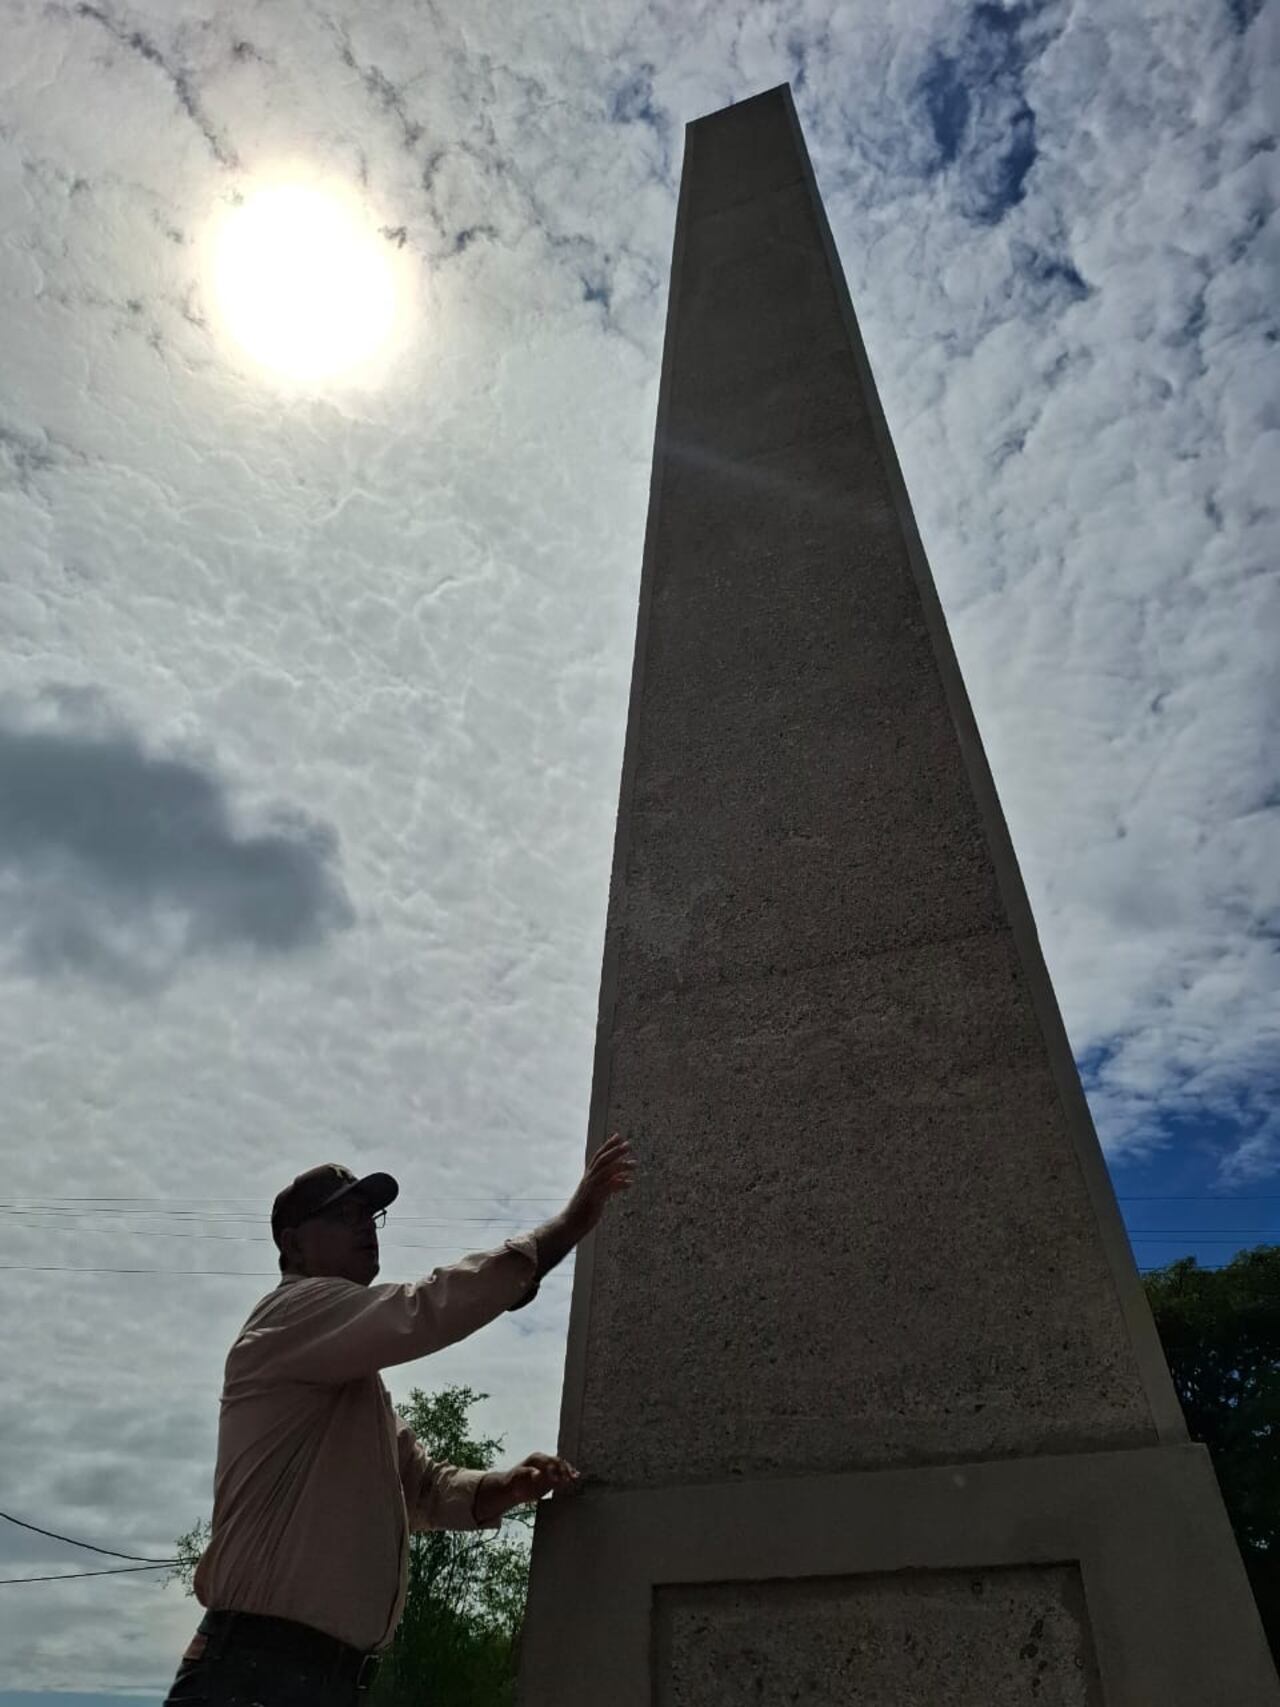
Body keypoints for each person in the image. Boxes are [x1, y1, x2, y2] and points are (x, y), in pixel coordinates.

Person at [163, 1133, 635, 1705]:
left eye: (369, 1213)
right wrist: (569, 1222)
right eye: (341, 1215)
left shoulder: (347, 1382)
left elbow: (423, 1490)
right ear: (294, 1246)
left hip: (308, 1680)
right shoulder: (289, 1316)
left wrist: (504, 1486)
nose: (364, 1224)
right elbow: (426, 1308)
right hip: (256, 1674)